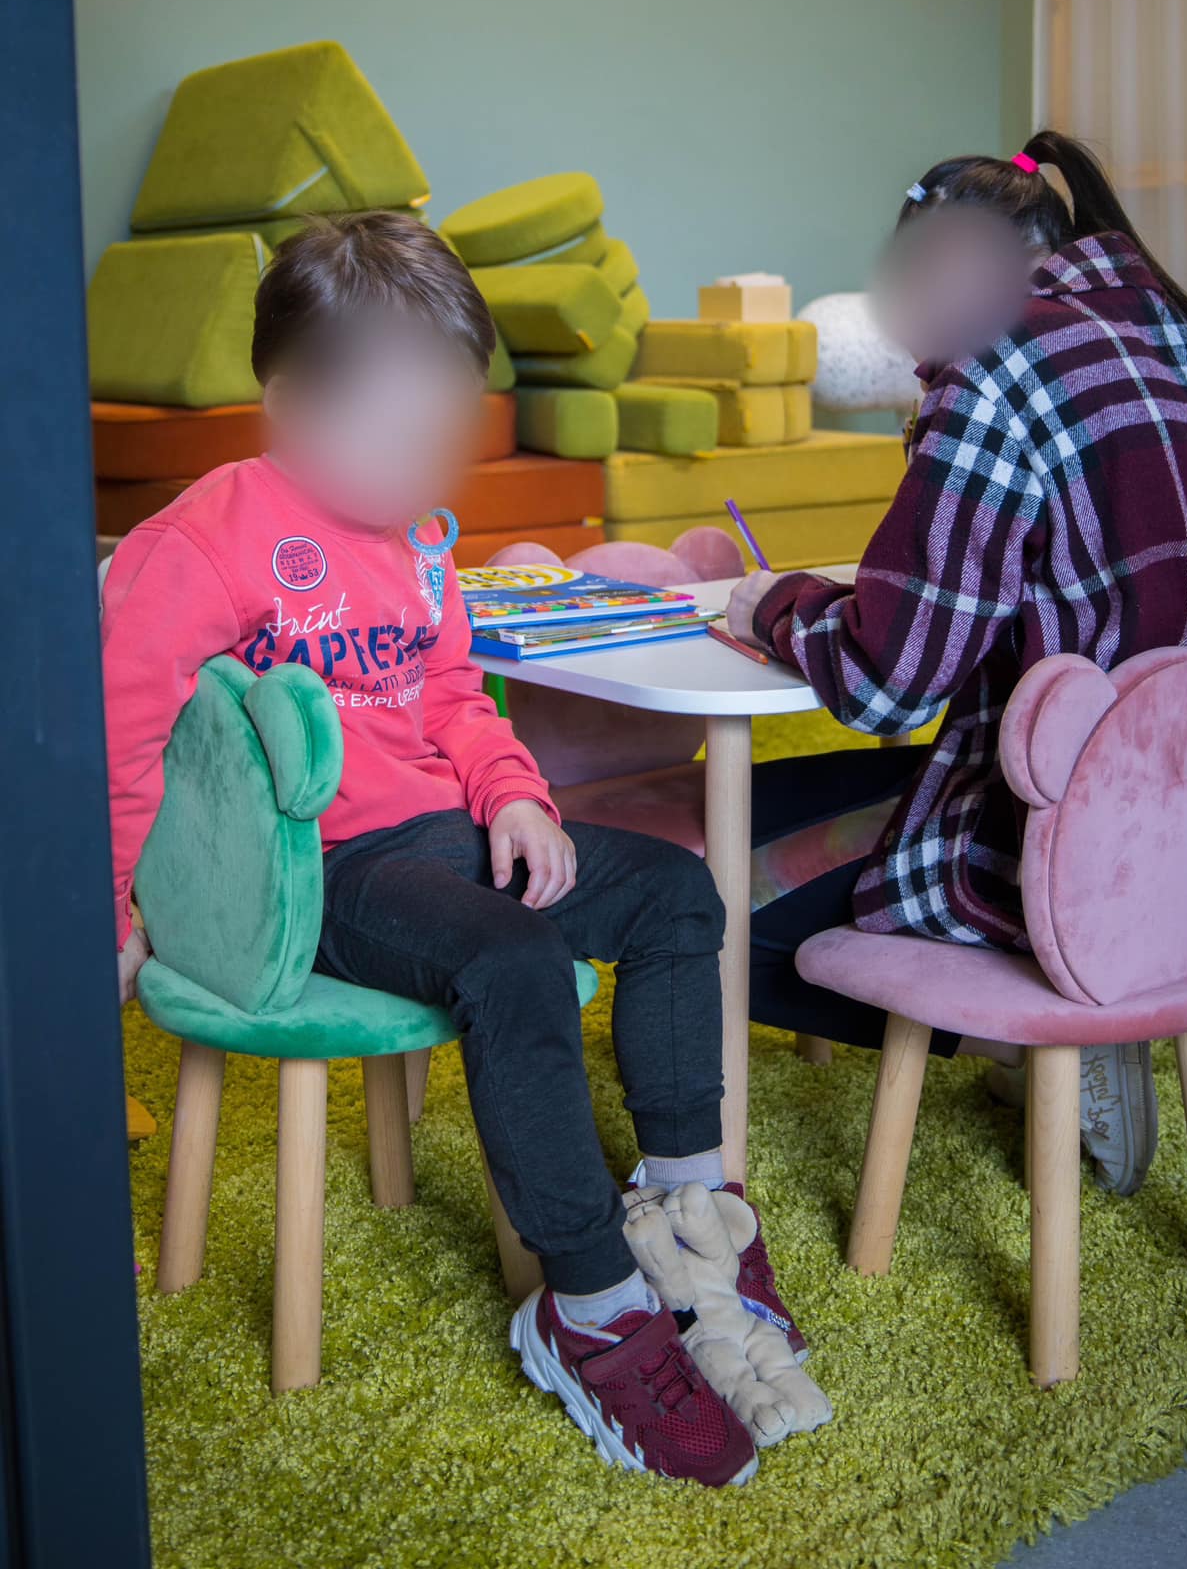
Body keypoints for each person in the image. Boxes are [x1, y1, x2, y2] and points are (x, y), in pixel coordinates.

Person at [105, 212, 798, 1487]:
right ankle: (590, 1304)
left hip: (442, 829)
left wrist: (514, 795)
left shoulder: (419, 542)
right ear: (289, 402)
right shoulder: (207, 536)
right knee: (514, 958)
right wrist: (113, 911)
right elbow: (125, 733)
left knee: (673, 892)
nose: (426, 467)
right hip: (322, 871)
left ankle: (686, 1213)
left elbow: (450, 693)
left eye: (443, 435)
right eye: (396, 436)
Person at [731, 131, 1187, 1194]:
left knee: (704, 913)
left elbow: (890, 684)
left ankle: (1042, 1024)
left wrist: (776, 605)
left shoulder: (995, 367)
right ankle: (1091, 1008)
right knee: (787, 813)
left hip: (1063, 851)